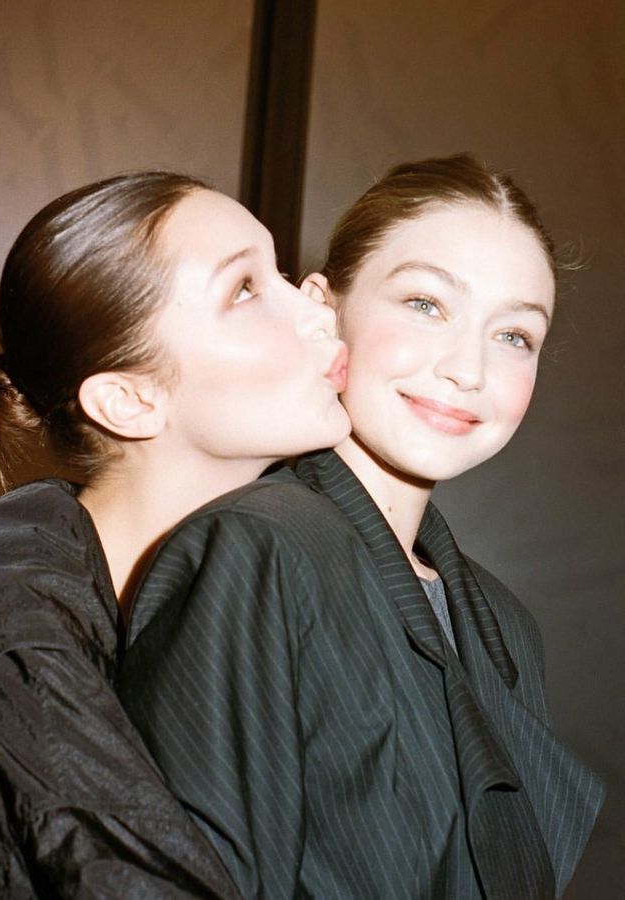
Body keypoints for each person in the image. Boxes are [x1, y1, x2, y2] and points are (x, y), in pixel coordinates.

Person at [120, 155, 605, 899]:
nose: (467, 370)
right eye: (426, 304)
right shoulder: (255, 551)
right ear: (325, 308)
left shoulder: (503, 624)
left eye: (514, 336)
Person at [0, 172, 351, 898]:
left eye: (283, 271)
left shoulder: (273, 563)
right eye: (246, 290)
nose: (320, 306)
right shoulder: (10, 645)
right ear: (130, 400)